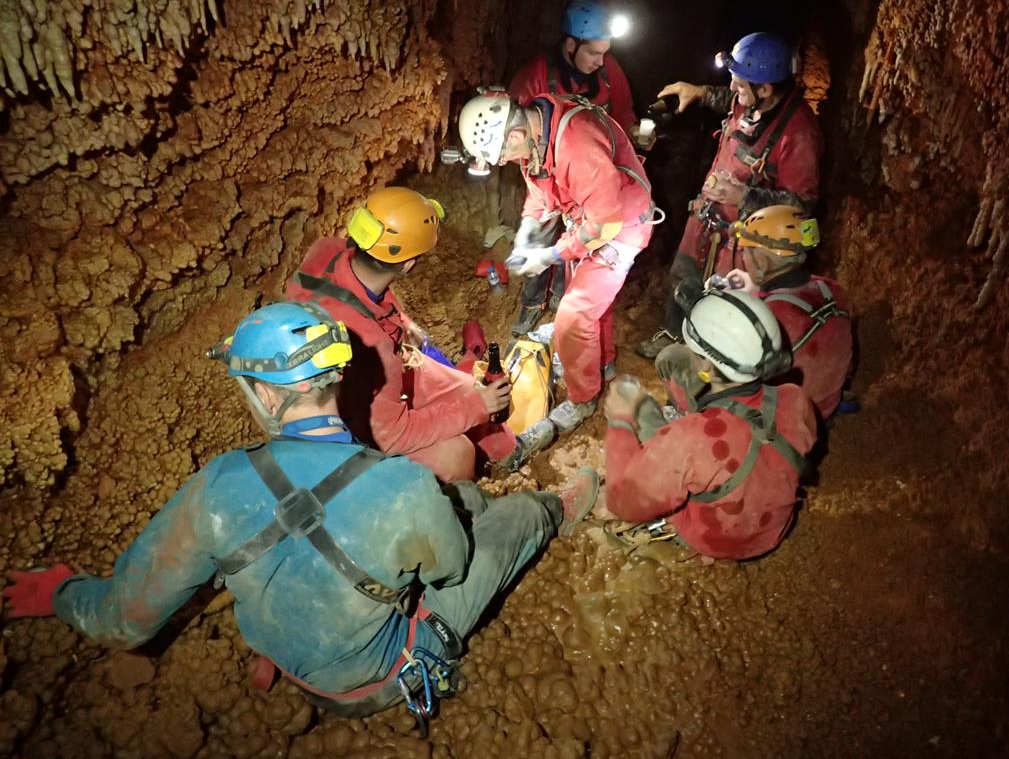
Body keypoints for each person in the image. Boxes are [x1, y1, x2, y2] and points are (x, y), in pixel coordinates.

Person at [1, 302, 598, 720]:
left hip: (289, 654)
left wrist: (60, 593)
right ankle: (557, 510)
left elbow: (123, 621)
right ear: (336, 378)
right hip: (373, 681)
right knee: (514, 515)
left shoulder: (217, 486)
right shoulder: (403, 484)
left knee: (452, 506)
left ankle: (279, 660)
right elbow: (449, 571)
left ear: (264, 392)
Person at [457, 88, 657, 462]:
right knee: (593, 301)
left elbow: (605, 223)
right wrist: (527, 230)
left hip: (621, 223)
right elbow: (540, 187)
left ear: (513, 136)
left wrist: (551, 253)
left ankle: (582, 400)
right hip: (584, 218)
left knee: (575, 313)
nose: (503, 163)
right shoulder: (536, 136)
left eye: (501, 156)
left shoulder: (575, 145)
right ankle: (604, 361)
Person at [285, 186, 514, 482]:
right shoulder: (375, 344)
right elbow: (393, 435)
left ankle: (505, 456)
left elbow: (356, 297)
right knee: (457, 454)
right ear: (408, 264)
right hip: (350, 417)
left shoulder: (327, 250)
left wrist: (402, 322)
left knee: (470, 388)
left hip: (347, 368)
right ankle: (461, 506)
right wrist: (477, 407)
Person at [635, 32, 824, 360]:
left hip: (746, 240)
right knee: (683, 274)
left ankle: (703, 356)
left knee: (723, 299)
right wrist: (698, 93)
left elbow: (802, 206)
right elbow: (729, 100)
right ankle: (674, 331)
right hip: (708, 217)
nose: (733, 89)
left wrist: (744, 196)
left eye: (739, 83)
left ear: (764, 89)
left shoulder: (799, 136)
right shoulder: (755, 98)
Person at [602, 288, 817, 560]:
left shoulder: (690, 439)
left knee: (641, 409)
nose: (687, 350)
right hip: (771, 524)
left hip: (718, 537)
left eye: (692, 348)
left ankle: (679, 531)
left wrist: (620, 422)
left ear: (706, 364)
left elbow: (622, 504)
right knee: (671, 358)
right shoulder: (795, 398)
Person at [507, 0, 639, 336]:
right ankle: (534, 300)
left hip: (593, 180)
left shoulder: (609, 73)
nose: (600, 61)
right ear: (570, 44)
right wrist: (531, 216)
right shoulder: (535, 77)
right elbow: (515, 132)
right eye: (594, 53)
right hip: (550, 176)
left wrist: (631, 144)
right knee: (541, 233)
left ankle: (565, 303)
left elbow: (622, 113)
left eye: (604, 53)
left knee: (578, 246)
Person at [726, 206, 853, 420]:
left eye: (745, 251)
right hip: (825, 409)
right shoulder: (833, 290)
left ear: (763, 261)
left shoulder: (766, 316)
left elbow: (732, 374)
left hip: (785, 423)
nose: (743, 257)